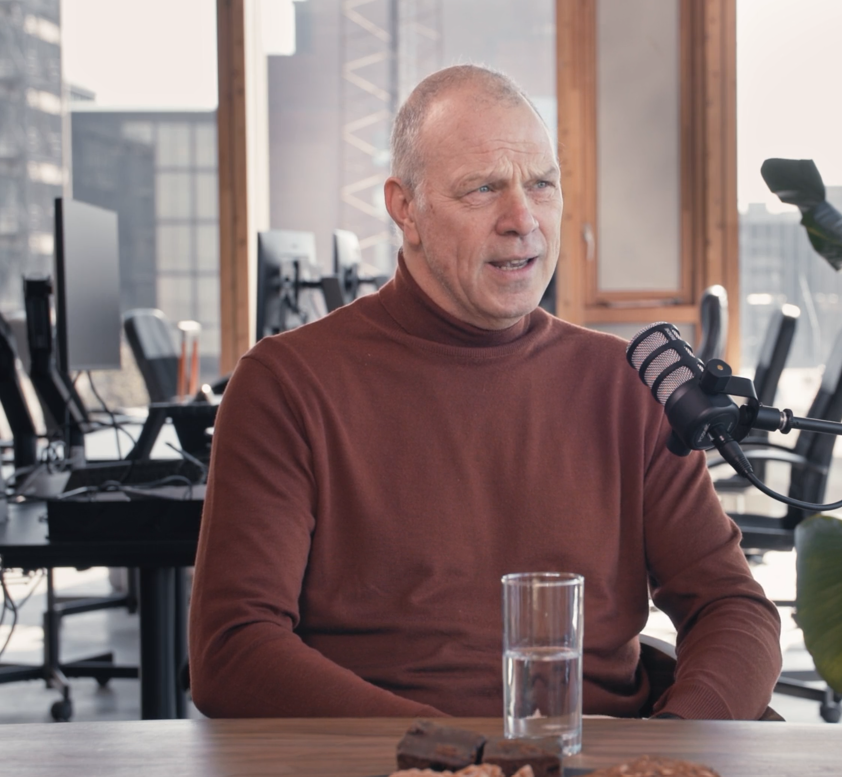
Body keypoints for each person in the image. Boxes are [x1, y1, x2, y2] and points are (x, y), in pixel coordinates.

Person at [188, 64, 782, 720]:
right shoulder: (287, 384)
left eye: (542, 185)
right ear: (405, 208)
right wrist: (464, 756)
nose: (522, 219)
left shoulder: (627, 384)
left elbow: (732, 608)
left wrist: (671, 751)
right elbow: (232, 650)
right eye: (482, 189)